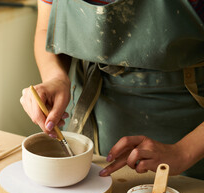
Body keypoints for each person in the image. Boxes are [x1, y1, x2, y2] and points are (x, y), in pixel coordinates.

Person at [20, 0, 204, 180]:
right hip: (92, 114)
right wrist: (56, 78)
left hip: (187, 140)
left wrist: (183, 152)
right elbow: (47, 30)